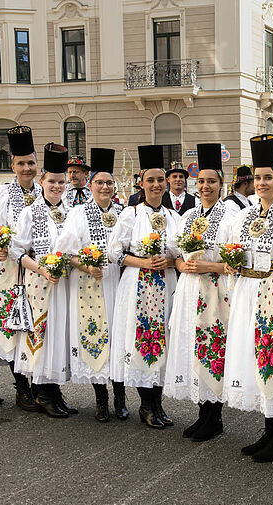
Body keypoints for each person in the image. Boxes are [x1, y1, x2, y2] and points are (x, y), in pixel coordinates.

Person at [224, 134, 273, 462]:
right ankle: (268, 429)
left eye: (267, 177)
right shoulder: (244, 216)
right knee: (255, 358)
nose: (261, 183)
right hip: (248, 291)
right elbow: (234, 249)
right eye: (257, 178)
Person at [164, 143, 234, 442]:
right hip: (190, 289)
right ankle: (202, 411)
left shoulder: (231, 216)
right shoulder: (188, 215)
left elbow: (235, 262)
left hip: (216, 292)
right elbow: (174, 254)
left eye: (212, 181)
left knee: (213, 348)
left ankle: (214, 416)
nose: (206, 186)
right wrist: (183, 264)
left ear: (221, 184)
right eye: (201, 181)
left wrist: (208, 266)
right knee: (193, 346)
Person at [108, 144, 180, 429]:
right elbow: (115, 253)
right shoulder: (131, 215)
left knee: (162, 340)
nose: (156, 185)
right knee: (142, 342)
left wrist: (170, 261)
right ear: (141, 183)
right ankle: (146, 406)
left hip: (166, 286)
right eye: (150, 180)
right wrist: (142, 263)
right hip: (138, 285)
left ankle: (159, 404)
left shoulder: (174, 218)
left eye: (160, 180)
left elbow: (181, 253)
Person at [57, 147, 126, 421]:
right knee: (97, 336)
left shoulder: (124, 212)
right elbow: (64, 251)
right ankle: (101, 399)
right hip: (90, 285)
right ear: (91, 184)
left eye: (109, 183)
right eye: (99, 182)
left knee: (118, 337)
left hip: (118, 284)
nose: (105, 187)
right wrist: (86, 265)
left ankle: (120, 397)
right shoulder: (78, 213)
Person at [10, 143, 76, 418]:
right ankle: (43, 394)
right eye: (52, 181)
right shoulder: (29, 212)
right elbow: (16, 251)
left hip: (65, 283)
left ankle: (55, 390)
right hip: (39, 283)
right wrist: (41, 268)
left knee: (60, 333)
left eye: (61, 182)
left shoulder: (73, 211)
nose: (57, 186)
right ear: (42, 181)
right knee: (43, 334)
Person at [0, 126, 42, 411]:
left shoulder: (47, 191)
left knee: (36, 325)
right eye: (21, 163)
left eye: (31, 163)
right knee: (14, 326)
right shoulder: (3, 193)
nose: (26, 168)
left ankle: (38, 385)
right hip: (11, 269)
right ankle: (21, 388)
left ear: (37, 165)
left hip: (38, 269)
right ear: (12, 166)